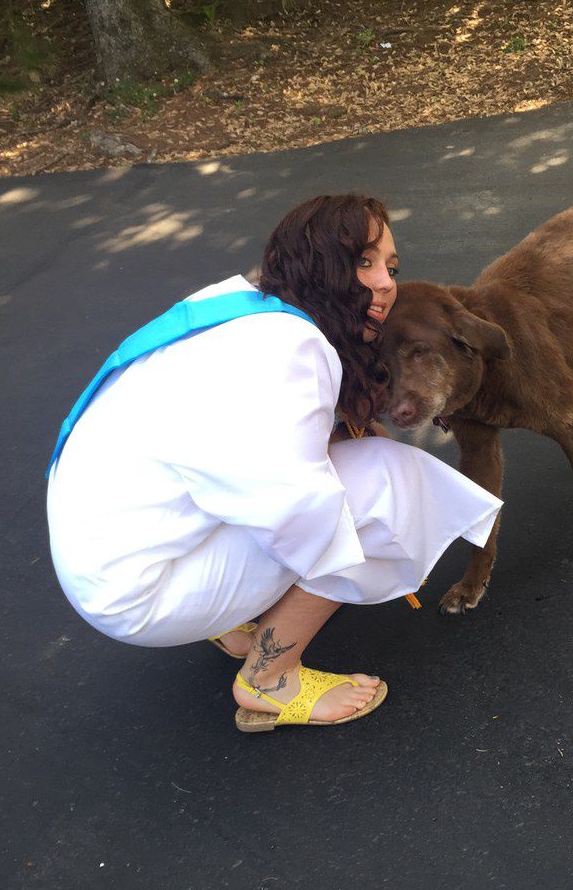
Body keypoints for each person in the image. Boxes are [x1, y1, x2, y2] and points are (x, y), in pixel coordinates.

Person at [46, 193, 502, 732]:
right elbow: (299, 511)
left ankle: (226, 620)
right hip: (140, 593)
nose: (385, 283)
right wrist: (380, 543)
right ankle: (268, 678)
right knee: (390, 484)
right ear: (318, 264)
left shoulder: (246, 307)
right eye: (364, 261)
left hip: (105, 557)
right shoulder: (294, 349)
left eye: (391, 267)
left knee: (340, 469)